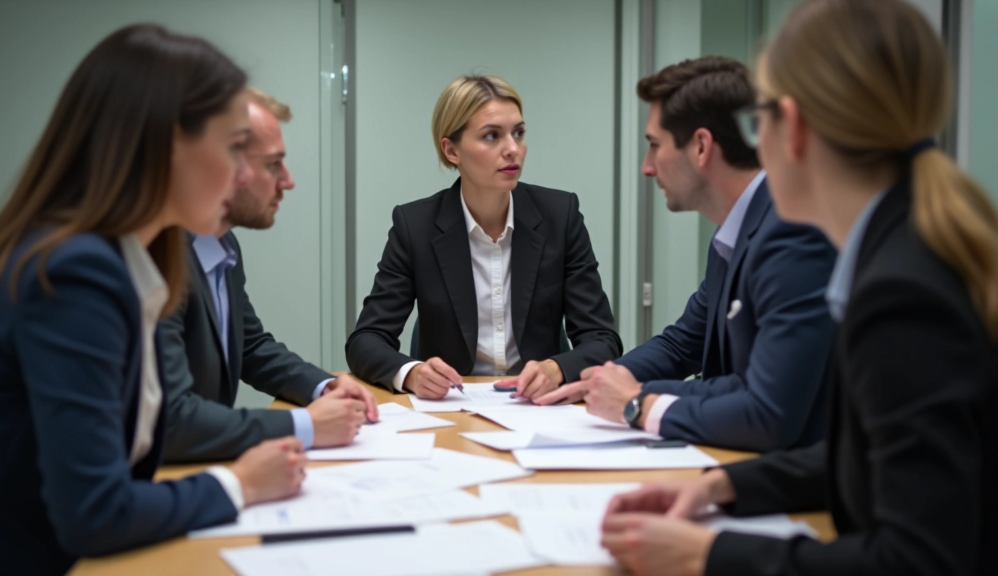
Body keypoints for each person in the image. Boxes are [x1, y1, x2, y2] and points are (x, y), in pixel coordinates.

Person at [600, 1, 998, 574]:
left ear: (794, 129)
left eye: (759, 124)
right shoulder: (906, 242)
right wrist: (723, 488)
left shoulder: (903, 295)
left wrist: (708, 554)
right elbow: (863, 459)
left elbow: (917, 559)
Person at [0, 25, 306, 575]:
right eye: (232, 149)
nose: (245, 174)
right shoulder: (78, 270)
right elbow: (95, 512)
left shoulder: (126, 254)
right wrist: (239, 483)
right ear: (168, 145)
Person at [536, 57, 836, 452]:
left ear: (700, 147)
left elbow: (767, 412)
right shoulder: (738, 231)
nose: (646, 167)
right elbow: (682, 345)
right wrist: (595, 379)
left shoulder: (792, 234)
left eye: (654, 146)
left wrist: (636, 404)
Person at [346, 75, 622, 399]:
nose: (513, 149)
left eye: (518, 133)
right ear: (451, 150)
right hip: (451, 407)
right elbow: (366, 340)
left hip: (539, 408)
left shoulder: (560, 216)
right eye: (492, 136)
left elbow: (603, 339)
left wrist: (557, 369)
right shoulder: (415, 226)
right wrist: (412, 373)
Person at [160, 87, 377, 463]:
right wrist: (305, 426)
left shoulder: (219, 243)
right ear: (221, 167)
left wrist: (323, 386)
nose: (288, 181)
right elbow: (172, 421)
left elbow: (250, 346)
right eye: (273, 164)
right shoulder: (158, 259)